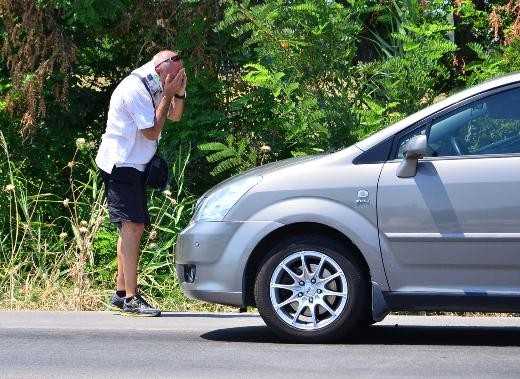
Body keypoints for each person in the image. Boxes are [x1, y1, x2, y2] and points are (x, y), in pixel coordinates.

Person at [95, 51, 187, 317]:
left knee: (130, 228)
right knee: (133, 227)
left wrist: (178, 92)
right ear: (159, 69)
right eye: (174, 75)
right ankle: (132, 300)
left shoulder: (165, 81)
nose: (177, 79)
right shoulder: (134, 89)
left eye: (181, 75)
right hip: (120, 164)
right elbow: (151, 131)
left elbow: (175, 117)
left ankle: (121, 293)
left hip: (137, 166)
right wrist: (169, 94)